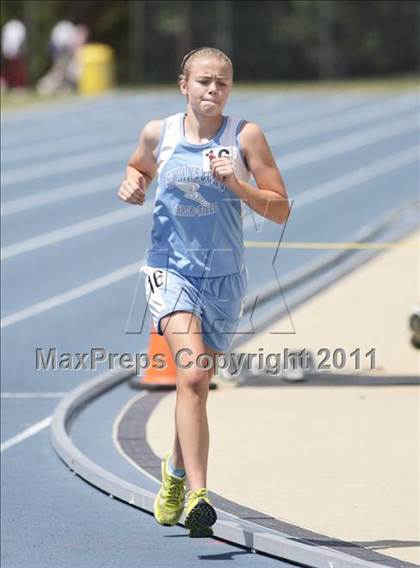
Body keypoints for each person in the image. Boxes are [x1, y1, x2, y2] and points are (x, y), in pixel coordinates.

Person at [118, 47, 289, 537]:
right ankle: (199, 495)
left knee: (194, 388)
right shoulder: (160, 132)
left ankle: (172, 473)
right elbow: (138, 168)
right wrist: (131, 184)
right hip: (169, 272)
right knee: (191, 373)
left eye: (222, 83)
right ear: (184, 85)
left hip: (224, 277)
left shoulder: (245, 136)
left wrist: (236, 184)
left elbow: (279, 210)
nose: (212, 90)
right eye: (204, 82)